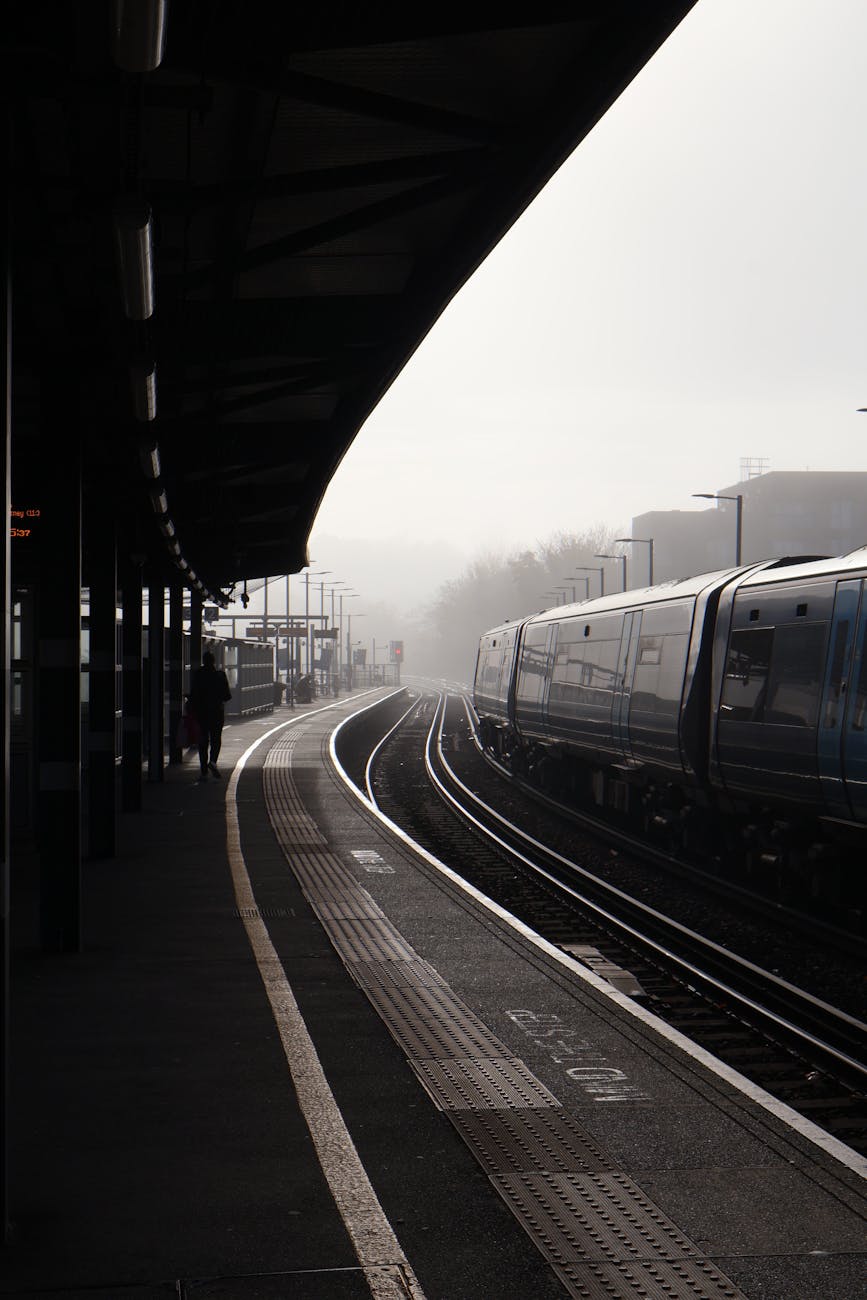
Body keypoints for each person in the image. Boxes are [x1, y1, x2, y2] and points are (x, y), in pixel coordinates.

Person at [189, 651, 232, 781]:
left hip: (201, 713)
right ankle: (213, 762)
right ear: (214, 661)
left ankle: (203, 770)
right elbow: (227, 696)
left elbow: (194, 694)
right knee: (216, 739)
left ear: (204, 660)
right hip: (216, 713)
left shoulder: (198, 675)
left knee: (203, 740)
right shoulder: (220, 675)